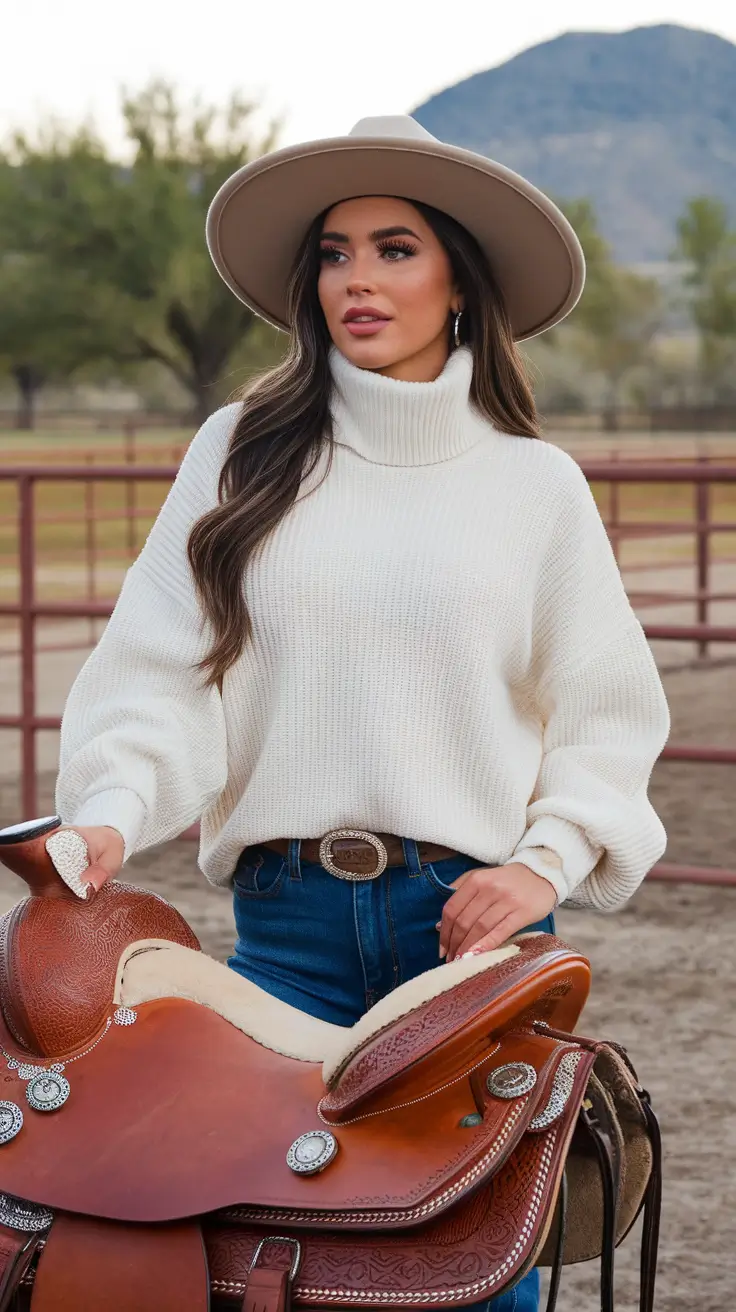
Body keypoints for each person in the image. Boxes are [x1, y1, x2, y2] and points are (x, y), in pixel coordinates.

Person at [53, 115, 670, 1312]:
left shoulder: (531, 485)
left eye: (394, 249)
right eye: (335, 253)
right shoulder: (240, 451)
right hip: (282, 936)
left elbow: (606, 711)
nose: (356, 280)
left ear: (458, 281)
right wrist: (114, 814)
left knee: (474, 1279)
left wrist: (543, 865)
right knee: (264, 1271)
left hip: (470, 930)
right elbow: (161, 673)